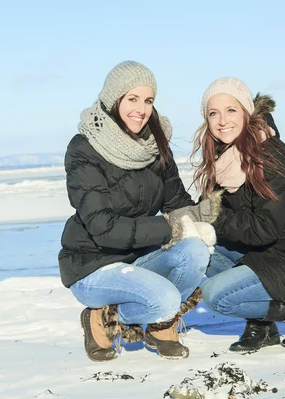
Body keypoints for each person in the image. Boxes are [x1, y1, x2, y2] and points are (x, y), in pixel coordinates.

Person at [58, 61, 219, 362]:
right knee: (168, 298)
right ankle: (102, 316)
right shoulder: (84, 149)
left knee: (196, 252)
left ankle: (158, 324)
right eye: (132, 99)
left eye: (148, 101)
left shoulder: (154, 145)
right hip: (94, 266)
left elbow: (177, 205)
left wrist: (211, 202)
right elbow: (103, 227)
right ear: (113, 99)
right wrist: (169, 227)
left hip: (140, 259)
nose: (141, 109)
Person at [192, 77, 285, 352]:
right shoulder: (225, 159)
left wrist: (210, 214)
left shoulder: (271, 155)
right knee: (201, 249)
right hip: (271, 255)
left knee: (217, 296)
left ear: (247, 112)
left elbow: (262, 229)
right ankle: (261, 326)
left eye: (231, 110)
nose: (222, 120)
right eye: (213, 113)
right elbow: (216, 215)